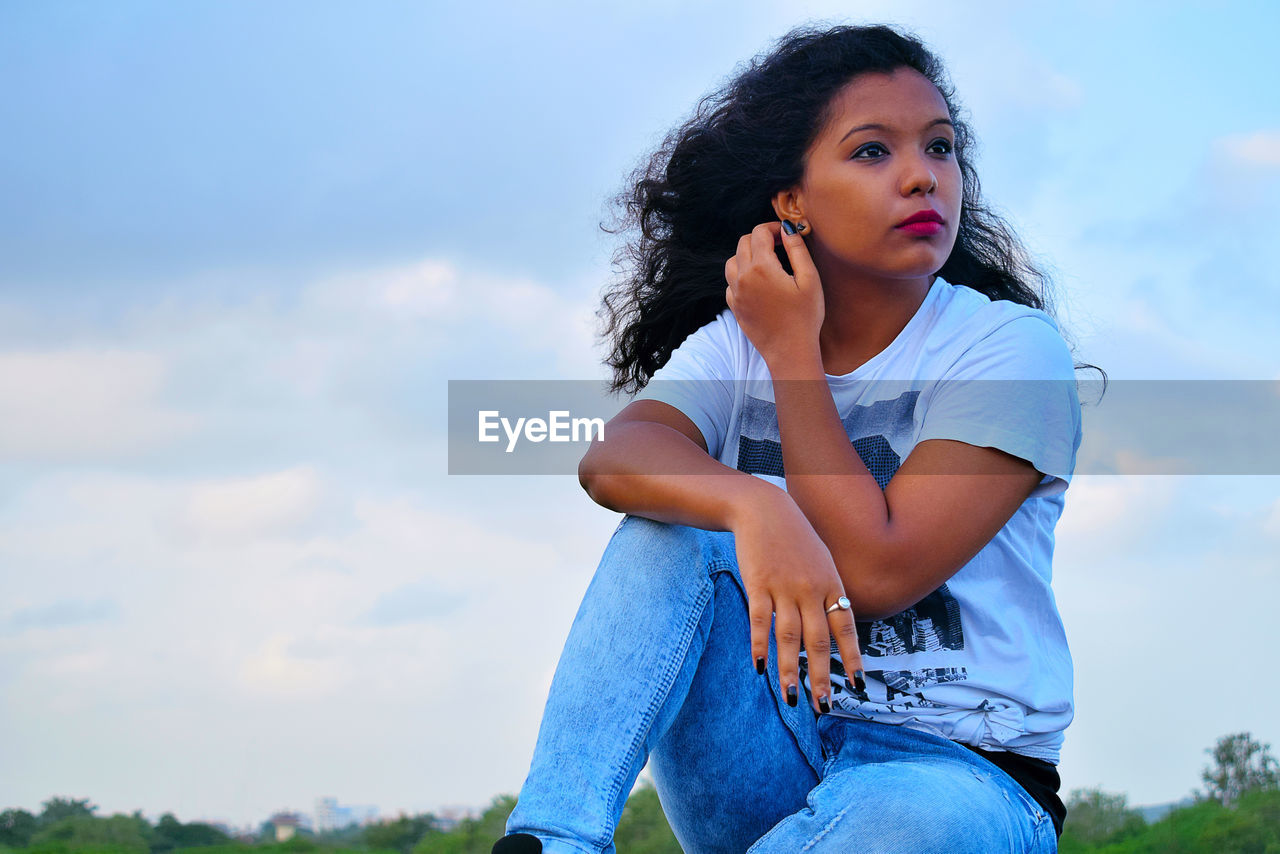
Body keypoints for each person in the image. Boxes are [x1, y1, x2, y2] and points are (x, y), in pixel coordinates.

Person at [494, 22, 1084, 854]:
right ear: (791, 201)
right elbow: (615, 459)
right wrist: (750, 506)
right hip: (772, 742)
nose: (924, 177)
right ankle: (555, 840)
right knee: (672, 530)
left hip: (962, 778)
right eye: (873, 152)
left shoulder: (1008, 351)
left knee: (910, 819)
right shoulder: (736, 342)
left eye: (943, 148)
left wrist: (792, 361)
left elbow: (876, 574)